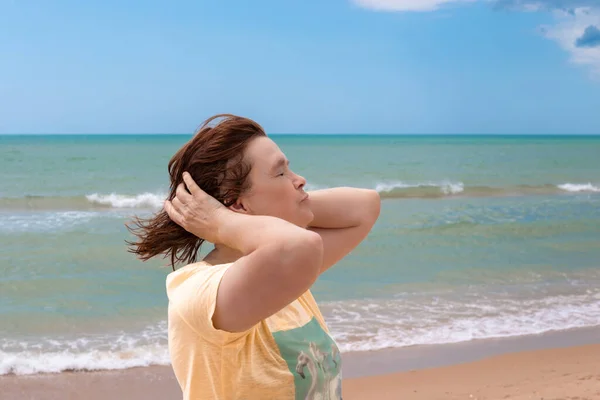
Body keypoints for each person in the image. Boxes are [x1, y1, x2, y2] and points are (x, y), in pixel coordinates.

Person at [127, 114, 380, 400]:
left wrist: (286, 208)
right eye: (281, 173)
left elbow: (365, 207)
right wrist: (222, 221)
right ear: (237, 203)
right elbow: (300, 246)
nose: (300, 180)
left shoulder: (284, 273)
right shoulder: (197, 290)